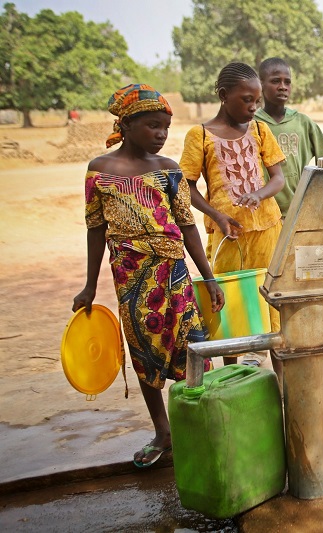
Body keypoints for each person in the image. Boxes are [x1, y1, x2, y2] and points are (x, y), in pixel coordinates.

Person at [72, 84, 224, 468]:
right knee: (144, 350)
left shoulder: (169, 170)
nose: (161, 135)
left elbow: (188, 226)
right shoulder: (100, 170)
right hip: (130, 276)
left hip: (173, 273)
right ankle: (164, 432)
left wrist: (207, 278)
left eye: (165, 129)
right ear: (125, 125)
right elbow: (95, 228)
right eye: (153, 126)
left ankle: (198, 424)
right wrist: (90, 286)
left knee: (192, 347)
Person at [180, 62, 286, 372]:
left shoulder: (259, 129)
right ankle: (231, 374)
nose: (254, 107)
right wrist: (217, 215)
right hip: (228, 235)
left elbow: (278, 178)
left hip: (267, 228)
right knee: (228, 304)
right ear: (224, 96)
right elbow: (186, 186)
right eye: (246, 100)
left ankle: (280, 379)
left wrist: (260, 194)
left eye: (256, 101)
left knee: (273, 301)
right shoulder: (199, 135)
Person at [255, 57, 323, 217]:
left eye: (287, 82)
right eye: (275, 81)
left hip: (298, 211)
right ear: (261, 85)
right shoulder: (252, 124)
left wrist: (316, 192)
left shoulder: (302, 123)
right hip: (263, 214)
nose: (282, 87)